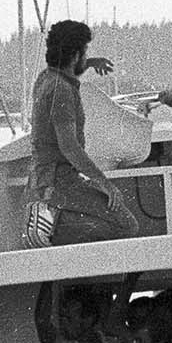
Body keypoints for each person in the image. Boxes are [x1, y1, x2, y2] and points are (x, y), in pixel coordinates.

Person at [26, 19, 137, 246]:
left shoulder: (45, 79)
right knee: (126, 225)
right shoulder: (62, 91)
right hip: (58, 182)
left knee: (109, 222)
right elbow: (69, 148)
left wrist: (87, 63)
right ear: (76, 55)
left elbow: (66, 69)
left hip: (43, 178)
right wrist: (105, 183)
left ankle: (54, 222)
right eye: (85, 53)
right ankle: (52, 224)